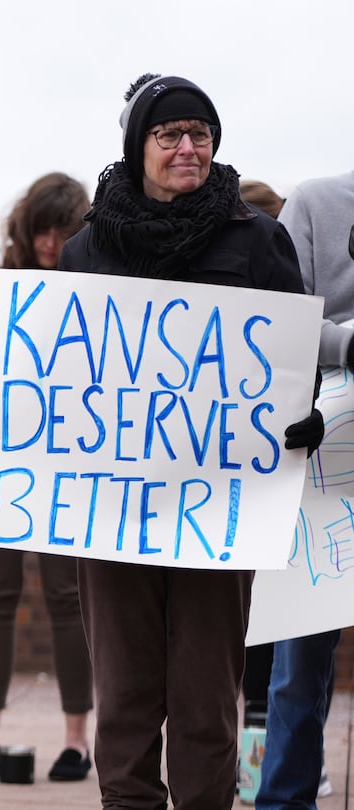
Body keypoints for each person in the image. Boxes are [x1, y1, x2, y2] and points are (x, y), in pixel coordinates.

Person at [33, 72, 320, 809]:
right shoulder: (88, 250)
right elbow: (52, 375)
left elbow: (296, 359)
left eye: (200, 133)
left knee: (205, 696)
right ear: (139, 147)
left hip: (217, 509)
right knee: (124, 695)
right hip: (112, 510)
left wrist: (303, 413)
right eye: (170, 135)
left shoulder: (258, 242)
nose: (188, 147)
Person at [0, 173, 95, 782]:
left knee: (68, 598)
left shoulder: (93, 286)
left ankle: (78, 741)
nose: (52, 242)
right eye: (43, 229)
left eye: (63, 230)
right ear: (25, 230)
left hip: (66, 463)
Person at [252, 167, 354, 809]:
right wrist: (348, 344)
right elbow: (275, 319)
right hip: (325, 461)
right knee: (301, 654)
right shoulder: (318, 205)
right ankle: (285, 800)